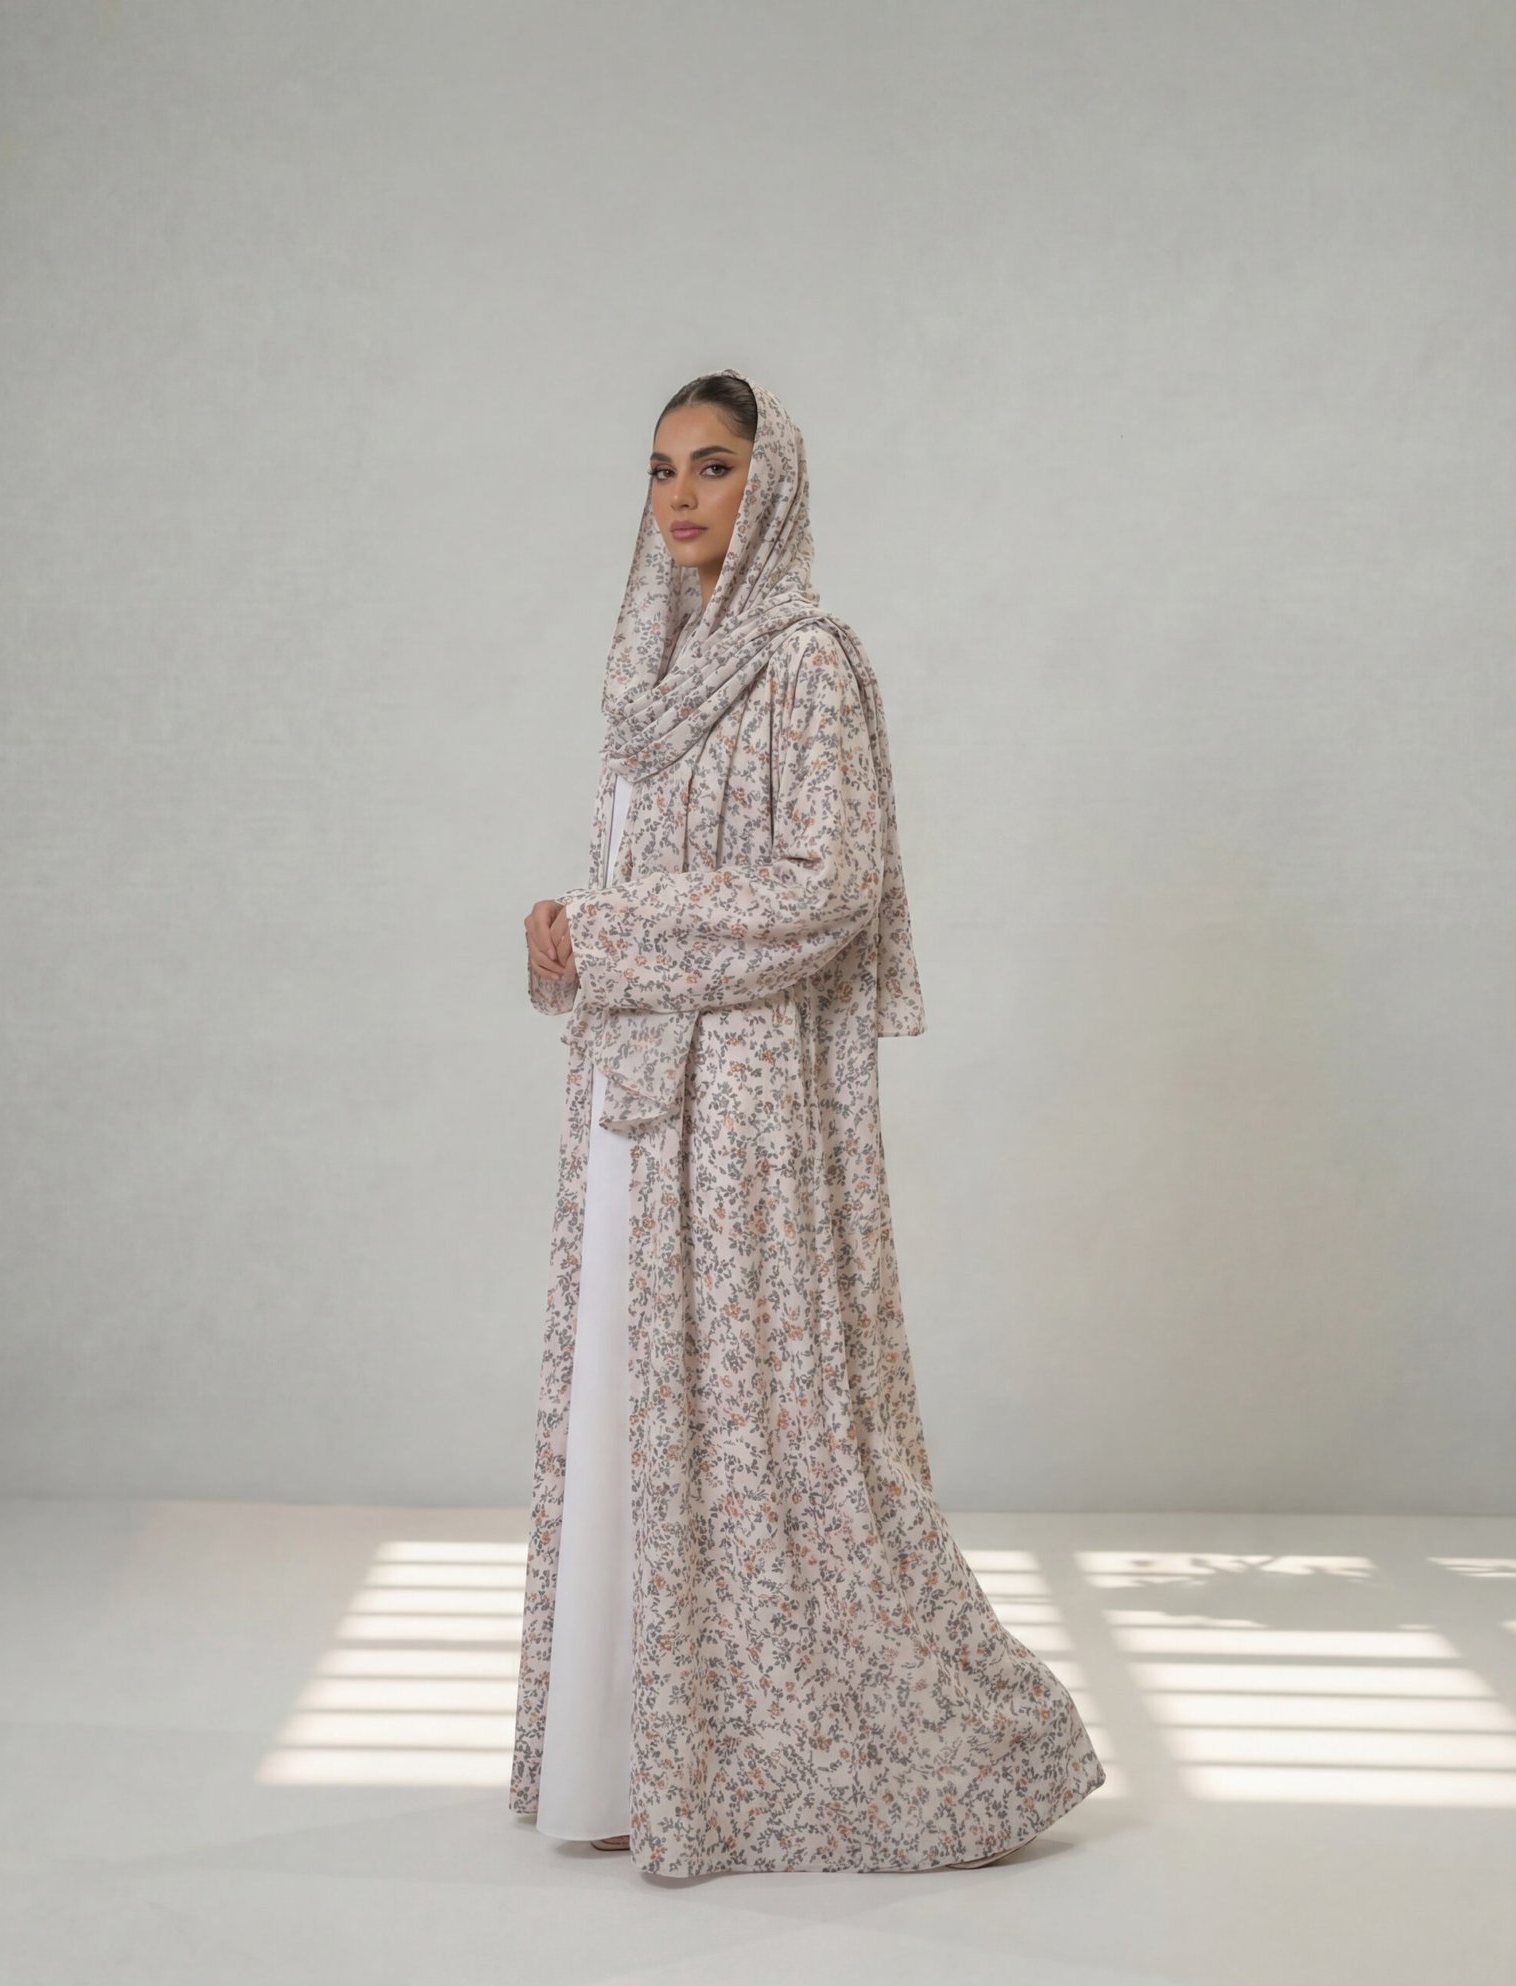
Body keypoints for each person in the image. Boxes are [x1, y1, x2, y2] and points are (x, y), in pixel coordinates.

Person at [512, 369, 1105, 1877]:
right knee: (634, 1410)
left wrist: (613, 927)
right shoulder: (645, 678)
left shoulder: (805, 663)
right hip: (633, 1094)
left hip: (748, 1105)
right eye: (661, 469)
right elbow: (640, 888)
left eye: (714, 466)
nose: (682, 496)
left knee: (765, 1423)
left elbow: (828, 886)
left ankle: (839, 1753)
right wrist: (569, 943)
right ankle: (632, 1762)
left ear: (767, 484)